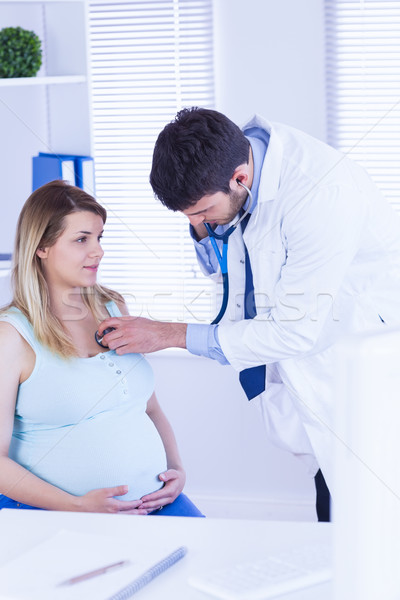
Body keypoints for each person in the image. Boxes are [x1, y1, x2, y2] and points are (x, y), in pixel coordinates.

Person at [97, 107, 400, 521]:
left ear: (240, 178)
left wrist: (170, 334)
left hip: (354, 366)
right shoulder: (228, 166)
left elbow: (296, 331)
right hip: (307, 372)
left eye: (201, 212)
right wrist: (205, 225)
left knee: (365, 517)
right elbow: (228, 264)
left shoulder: (321, 194)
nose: (197, 223)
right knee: (330, 495)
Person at [0, 180, 202, 517]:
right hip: (60, 513)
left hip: (158, 501)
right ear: (42, 247)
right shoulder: (12, 337)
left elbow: (149, 408)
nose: (98, 251)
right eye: (81, 240)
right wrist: (78, 505)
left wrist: (177, 470)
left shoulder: (112, 307)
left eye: (99, 238)